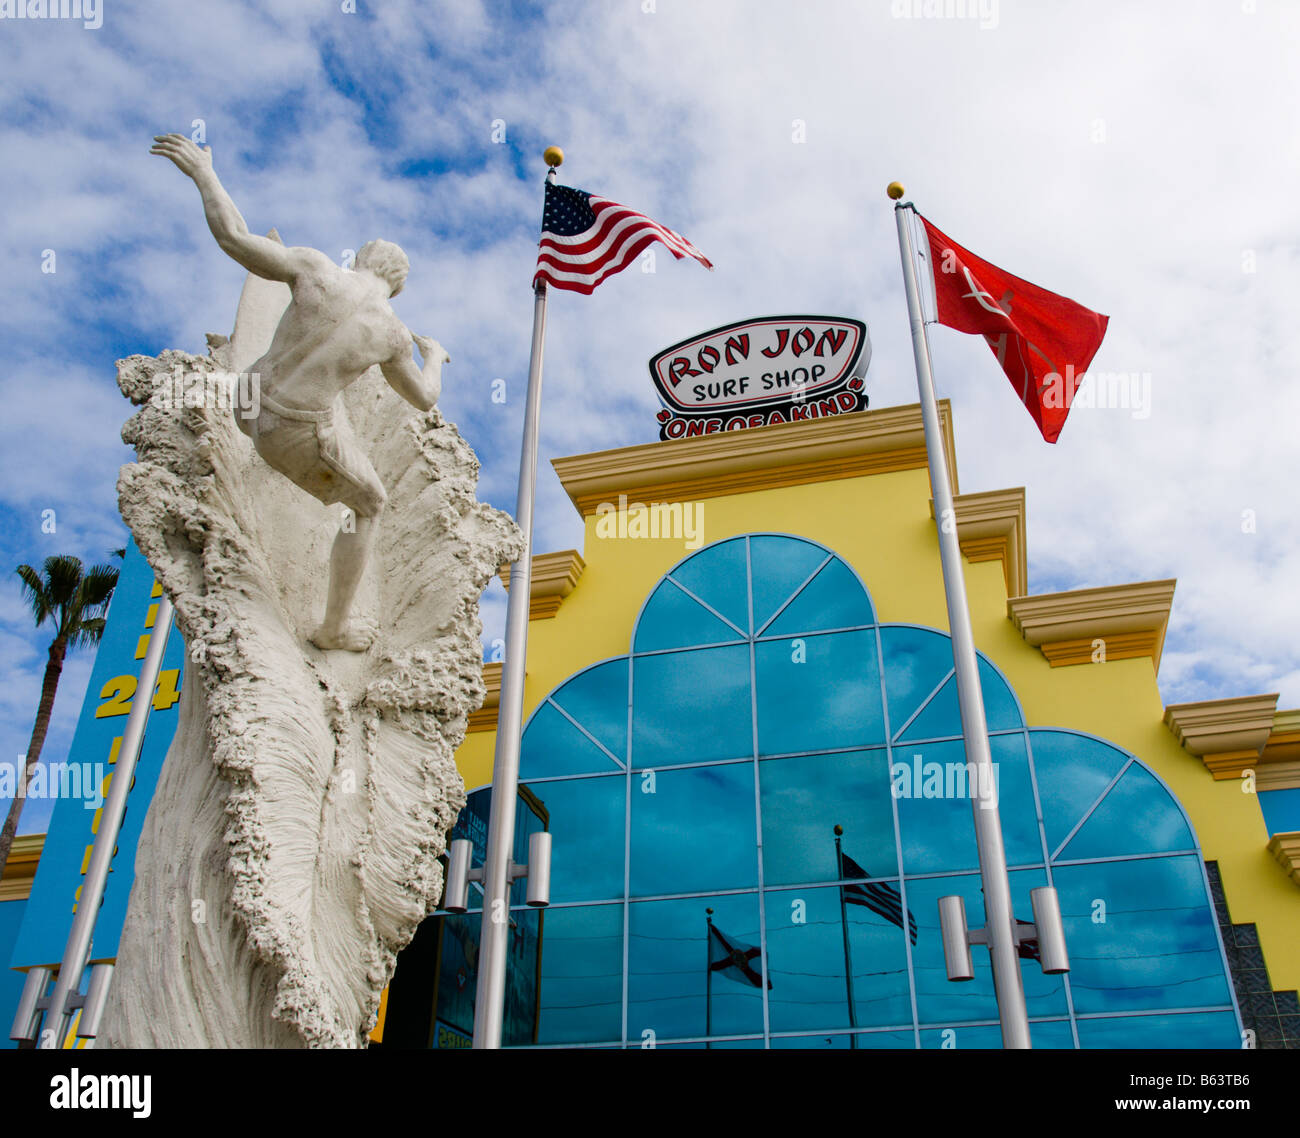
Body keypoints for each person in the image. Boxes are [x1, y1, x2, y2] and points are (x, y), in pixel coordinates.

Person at [151, 133, 449, 651]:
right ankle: (333, 627)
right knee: (371, 504)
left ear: (360, 258)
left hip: (250, 400)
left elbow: (233, 237)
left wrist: (203, 172)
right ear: (397, 285)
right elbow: (424, 399)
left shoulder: (315, 268)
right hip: (292, 430)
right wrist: (435, 358)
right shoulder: (393, 334)